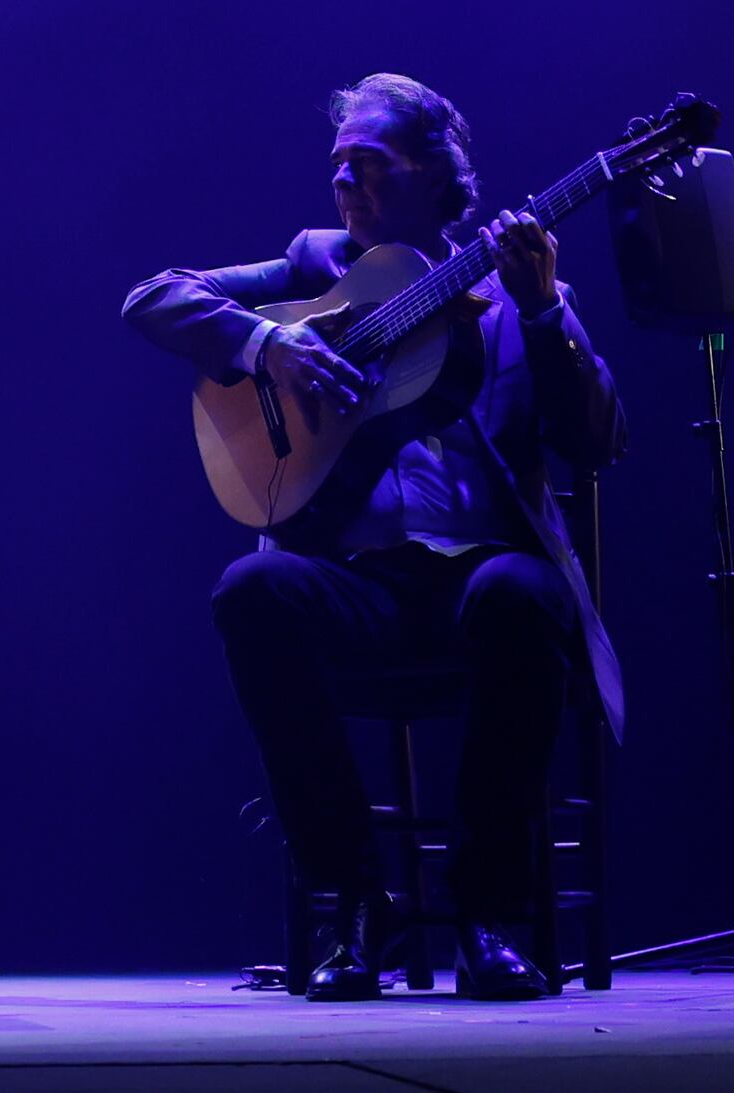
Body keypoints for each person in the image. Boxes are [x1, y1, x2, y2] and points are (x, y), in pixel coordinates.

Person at [125, 73, 626, 1004]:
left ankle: (487, 915)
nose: (346, 182)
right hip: (357, 584)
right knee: (249, 591)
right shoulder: (316, 269)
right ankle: (354, 902)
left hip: (482, 582)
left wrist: (548, 312)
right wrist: (267, 344)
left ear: (438, 178)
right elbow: (152, 298)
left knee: (524, 592)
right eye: (338, 165)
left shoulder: (522, 292)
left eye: (372, 164)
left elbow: (599, 437)